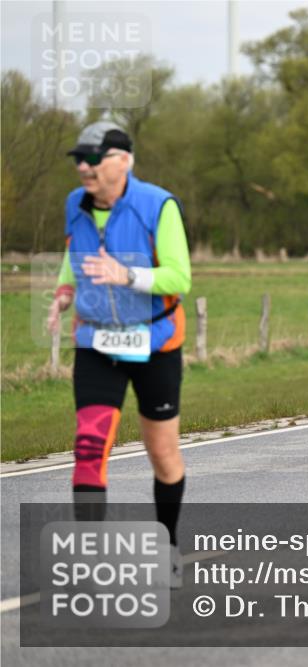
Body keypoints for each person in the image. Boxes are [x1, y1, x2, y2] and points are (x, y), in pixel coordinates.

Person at [47, 121, 191, 586]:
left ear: (123, 160)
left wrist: (126, 275)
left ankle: (167, 545)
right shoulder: (75, 205)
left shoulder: (158, 205)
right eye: (79, 160)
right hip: (97, 341)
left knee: (163, 455)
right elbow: (74, 254)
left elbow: (179, 278)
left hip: (154, 341)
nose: (84, 168)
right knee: (89, 446)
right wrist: (64, 291)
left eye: (93, 158)